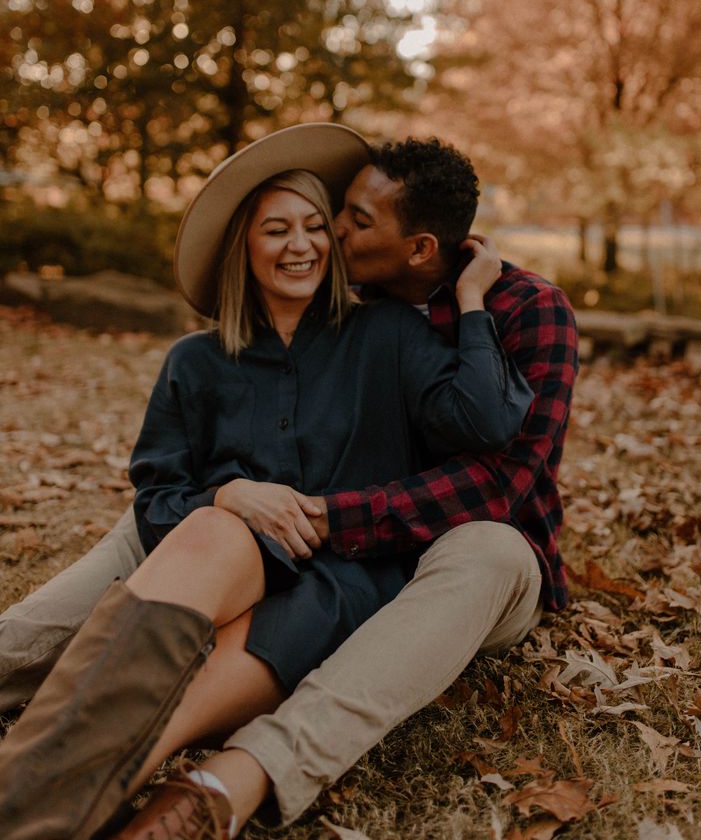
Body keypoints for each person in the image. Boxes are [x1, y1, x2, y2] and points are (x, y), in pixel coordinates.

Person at [0, 123, 533, 840]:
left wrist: (472, 300)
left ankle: (39, 807)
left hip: (339, 589)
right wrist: (225, 495)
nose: (304, 244)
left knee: (173, 689)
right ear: (242, 246)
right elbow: (157, 499)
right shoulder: (194, 362)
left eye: (317, 226)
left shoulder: (388, 336)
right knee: (210, 529)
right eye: (277, 229)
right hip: (215, 566)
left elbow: (487, 418)